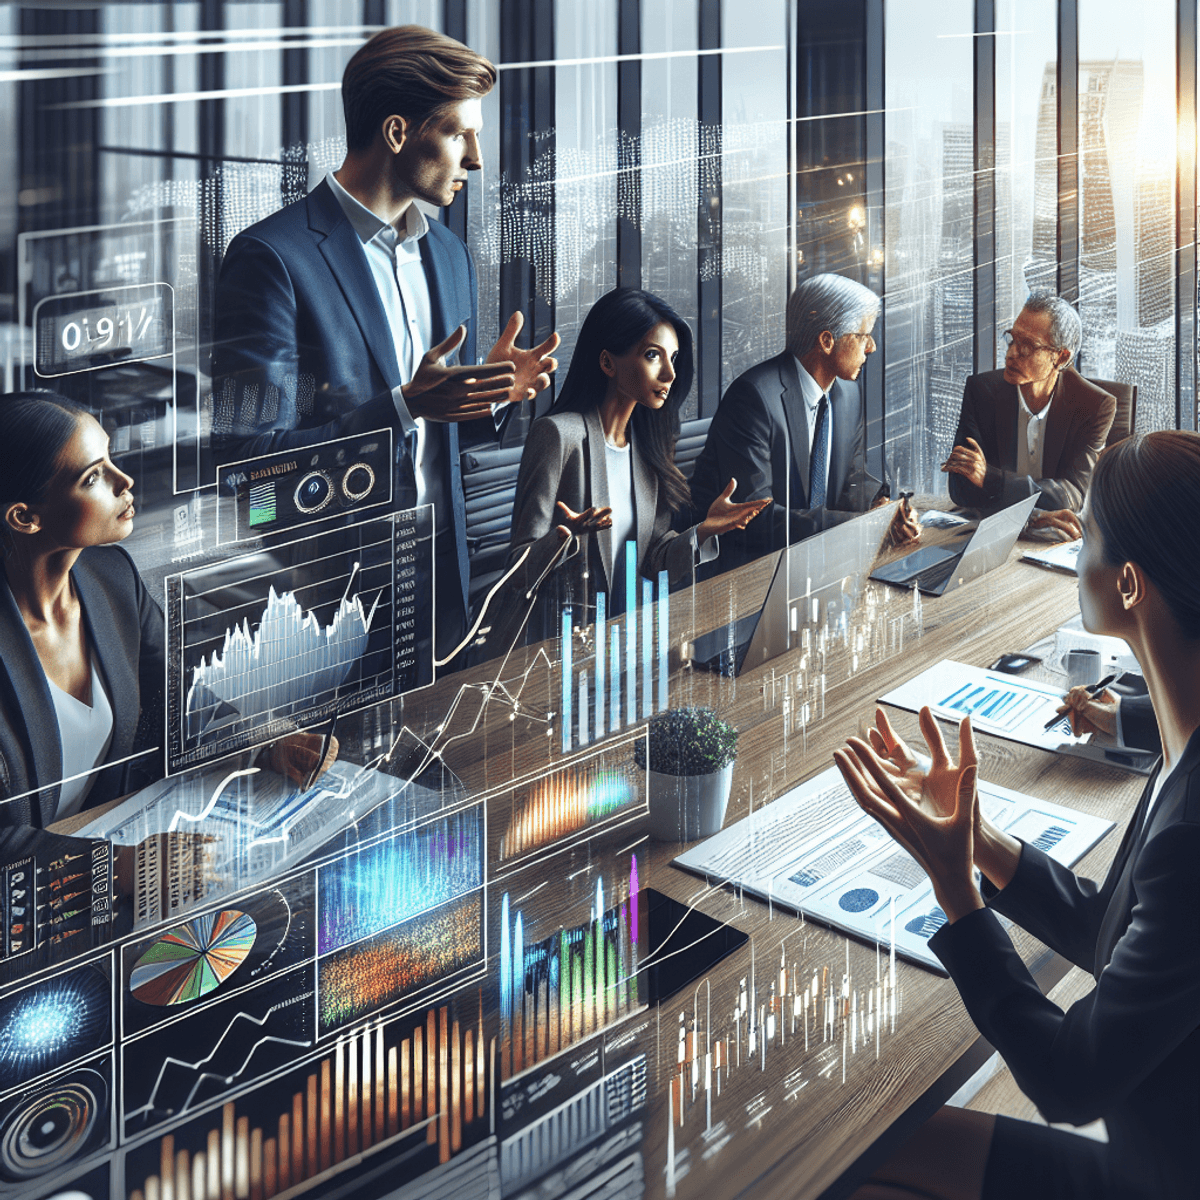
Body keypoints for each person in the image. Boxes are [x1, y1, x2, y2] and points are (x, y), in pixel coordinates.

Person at [834, 429, 1200, 1199]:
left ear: (1128, 584)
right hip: (1159, 1156)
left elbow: (1070, 1080)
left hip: (1156, 1181)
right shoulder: (1183, 749)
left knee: (856, 1165)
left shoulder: (1194, 829)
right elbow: (1111, 925)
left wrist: (956, 896)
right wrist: (976, 841)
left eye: (1089, 536)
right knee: (871, 1157)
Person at [210, 25, 559, 662]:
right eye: (459, 134)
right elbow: (247, 467)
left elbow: (444, 441)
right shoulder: (271, 260)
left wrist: (487, 398)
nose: (475, 160)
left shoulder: (449, 256)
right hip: (324, 598)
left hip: (442, 584)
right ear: (398, 133)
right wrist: (404, 407)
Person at [0, 392, 335, 831]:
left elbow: (177, 699)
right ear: (25, 517)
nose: (125, 481)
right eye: (92, 477)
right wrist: (110, 868)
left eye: (111, 458)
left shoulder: (112, 578)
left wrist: (266, 741)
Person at [483, 289, 770, 652]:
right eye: (653, 355)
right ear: (607, 362)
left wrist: (702, 532)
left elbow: (651, 561)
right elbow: (517, 570)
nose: (669, 372)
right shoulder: (558, 436)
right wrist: (564, 536)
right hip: (553, 650)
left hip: (625, 644)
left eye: (674, 358)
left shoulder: (649, 447)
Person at [689, 273, 920, 573]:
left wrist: (884, 507)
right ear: (827, 341)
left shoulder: (847, 394)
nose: (872, 347)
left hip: (821, 566)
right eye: (863, 336)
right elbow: (755, 517)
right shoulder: (753, 398)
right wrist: (869, 527)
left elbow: (852, 477)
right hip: (752, 573)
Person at [942, 293, 1116, 542]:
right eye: (1012, 340)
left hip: (1058, 538)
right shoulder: (982, 390)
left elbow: (1074, 494)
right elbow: (962, 488)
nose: (1012, 353)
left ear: (1061, 357)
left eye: (1028, 346)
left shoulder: (1094, 405)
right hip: (995, 532)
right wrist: (1032, 516)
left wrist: (991, 480)